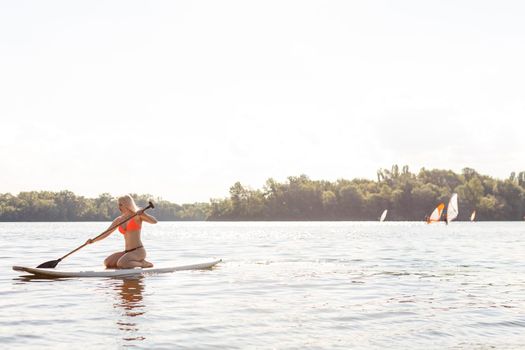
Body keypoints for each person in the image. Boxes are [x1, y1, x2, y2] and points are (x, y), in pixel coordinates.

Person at [86, 195, 157, 269]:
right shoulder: (119, 220)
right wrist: (93, 241)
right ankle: (128, 264)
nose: (118, 207)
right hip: (127, 252)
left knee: (121, 263)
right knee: (107, 262)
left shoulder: (137, 216)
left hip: (138, 251)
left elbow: (154, 221)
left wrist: (144, 214)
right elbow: (106, 233)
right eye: (118, 204)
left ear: (127, 204)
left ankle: (143, 264)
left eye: (120, 204)